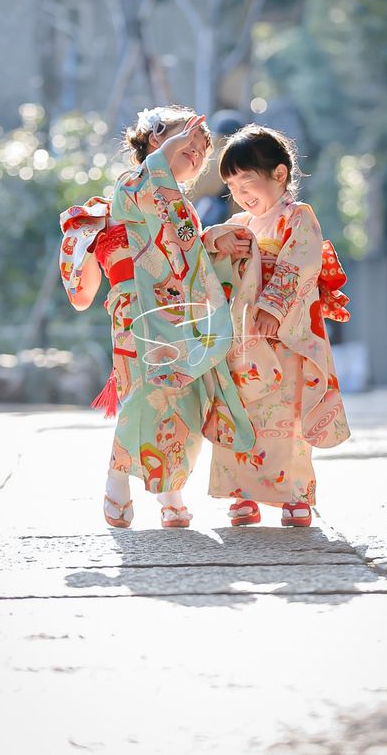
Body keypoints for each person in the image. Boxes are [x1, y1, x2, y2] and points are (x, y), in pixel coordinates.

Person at [59, 105, 255, 529]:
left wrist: (214, 242)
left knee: (184, 397)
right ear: (155, 138)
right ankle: (117, 480)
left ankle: (171, 493)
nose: (197, 151)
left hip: (178, 310)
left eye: (202, 149)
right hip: (136, 311)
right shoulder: (129, 187)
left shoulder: (181, 207)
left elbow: (187, 257)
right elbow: (147, 226)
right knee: (146, 392)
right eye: (189, 140)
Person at [201, 124, 351, 527]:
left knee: (288, 417)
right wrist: (218, 241)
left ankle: (295, 496)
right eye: (232, 185)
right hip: (245, 340)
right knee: (241, 411)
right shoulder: (241, 224)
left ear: (280, 175)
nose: (240, 194)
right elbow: (207, 254)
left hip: (284, 335)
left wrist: (274, 304)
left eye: (247, 181)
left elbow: (302, 262)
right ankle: (242, 495)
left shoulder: (297, 218)